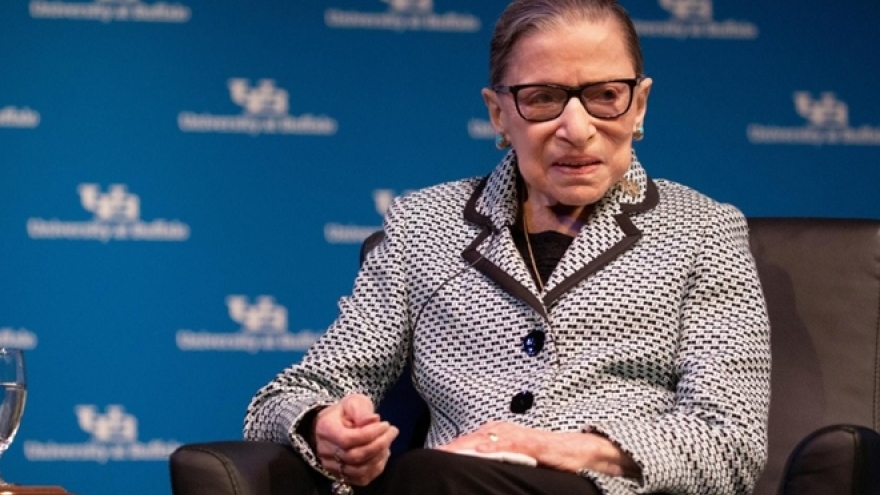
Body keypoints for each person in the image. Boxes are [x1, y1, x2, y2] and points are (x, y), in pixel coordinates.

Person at [244, 0, 771, 494]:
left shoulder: (702, 229)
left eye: (606, 96)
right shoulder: (424, 225)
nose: (577, 129)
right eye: (542, 98)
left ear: (639, 105)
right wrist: (325, 427)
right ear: (498, 113)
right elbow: (286, 396)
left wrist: (552, 449)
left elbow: (732, 443)